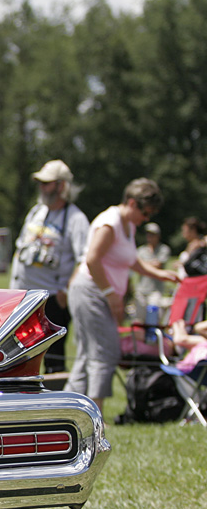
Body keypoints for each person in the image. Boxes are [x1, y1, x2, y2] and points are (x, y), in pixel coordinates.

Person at [64, 178, 179, 411]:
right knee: (105, 350)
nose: (147, 219)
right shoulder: (110, 222)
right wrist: (110, 294)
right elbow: (92, 259)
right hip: (90, 292)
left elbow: (131, 261)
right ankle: (96, 412)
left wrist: (160, 274)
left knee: (89, 353)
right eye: (145, 213)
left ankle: (68, 407)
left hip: (98, 293)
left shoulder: (129, 226)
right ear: (132, 202)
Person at [10, 159, 90, 374]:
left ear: (62, 186)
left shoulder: (76, 219)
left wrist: (67, 290)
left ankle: (55, 402)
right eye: (40, 183)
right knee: (18, 355)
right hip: (22, 297)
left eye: (47, 183)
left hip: (51, 300)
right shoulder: (36, 211)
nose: (41, 187)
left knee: (53, 358)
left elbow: (85, 259)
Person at [133, 223, 171, 317]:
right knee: (139, 318)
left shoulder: (163, 249)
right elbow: (136, 266)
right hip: (141, 289)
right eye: (148, 234)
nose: (149, 237)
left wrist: (142, 264)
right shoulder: (141, 250)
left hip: (156, 290)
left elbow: (157, 265)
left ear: (158, 236)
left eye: (152, 234)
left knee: (153, 317)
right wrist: (147, 264)